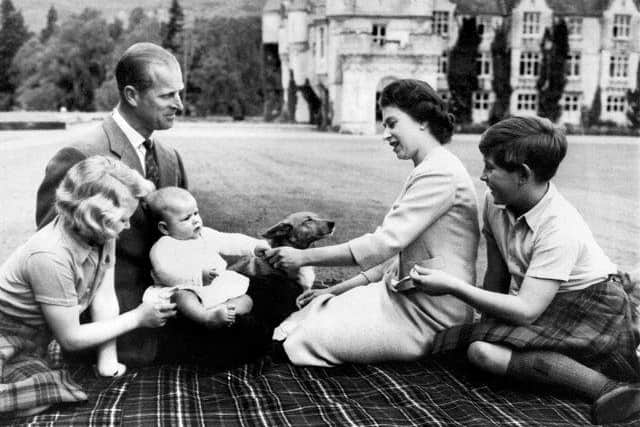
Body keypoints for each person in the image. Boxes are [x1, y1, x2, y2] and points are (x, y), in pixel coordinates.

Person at [410, 116, 640, 425]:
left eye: (491, 168)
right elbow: (497, 274)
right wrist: (490, 325)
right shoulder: (495, 203)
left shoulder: (560, 227)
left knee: (481, 352)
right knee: (467, 347)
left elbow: (526, 311)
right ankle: (594, 379)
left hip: (594, 307)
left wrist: (453, 286)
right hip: (546, 303)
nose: (482, 176)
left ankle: (612, 388)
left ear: (522, 175)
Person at [263, 78, 480, 366]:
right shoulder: (429, 168)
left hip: (430, 317)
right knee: (309, 312)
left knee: (303, 340)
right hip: (400, 299)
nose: (386, 134)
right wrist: (334, 289)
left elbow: (383, 244)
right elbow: (393, 258)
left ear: (422, 122)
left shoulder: (441, 173)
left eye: (392, 123)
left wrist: (303, 257)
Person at [35, 42, 188, 365]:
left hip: (172, 301)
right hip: (109, 323)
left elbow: (186, 237)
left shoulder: (170, 159)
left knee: (251, 316)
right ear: (131, 95)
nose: (180, 104)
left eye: (180, 93)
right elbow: (54, 253)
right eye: (167, 96)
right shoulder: (81, 155)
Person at [0, 156, 176, 417]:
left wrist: (108, 361)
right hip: (7, 334)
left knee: (47, 391)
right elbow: (70, 339)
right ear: (93, 217)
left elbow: (103, 296)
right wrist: (139, 317)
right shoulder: (50, 255)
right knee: (41, 395)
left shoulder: (102, 231)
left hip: (34, 342)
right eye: (124, 219)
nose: (128, 226)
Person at [144, 187, 269, 328]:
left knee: (246, 300)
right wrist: (197, 276)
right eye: (186, 218)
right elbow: (164, 272)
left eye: (196, 213)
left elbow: (228, 240)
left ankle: (225, 311)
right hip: (186, 287)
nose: (195, 221)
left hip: (213, 286)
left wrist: (254, 246)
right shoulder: (164, 246)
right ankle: (206, 317)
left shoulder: (204, 234)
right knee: (182, 297)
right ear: (165, 228)